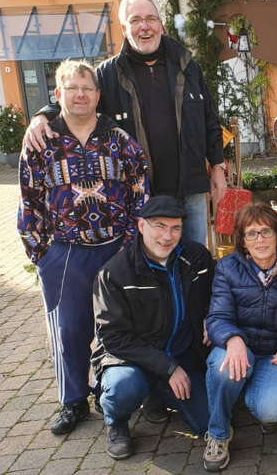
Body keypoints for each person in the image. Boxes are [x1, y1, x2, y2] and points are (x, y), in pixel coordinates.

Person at [22, 0, 226, 246]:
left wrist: (218, 166)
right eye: (135, 20)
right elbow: (79, 99)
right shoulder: (108, 75)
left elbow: (210, 118)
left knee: (194, 259)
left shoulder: (187, 65)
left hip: (190, 189)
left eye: (151, 18)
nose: (145, 26)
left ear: (161, 24)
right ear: (123, 28)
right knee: (150, 269)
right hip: (141, 194)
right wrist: (42, 115)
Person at [17, 59, 149, 435]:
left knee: (120, 326)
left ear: (97, 95)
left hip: (115, 250)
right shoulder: (42, 142)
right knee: (69, 329)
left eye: (86, 89)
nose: (79, 95)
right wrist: (41, 254)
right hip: (65, 253)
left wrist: (132, 245)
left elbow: (140, 188)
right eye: (71, 88)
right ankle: (72, 400)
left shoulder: (119, 139)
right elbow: (29, 199)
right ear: (57, 95)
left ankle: (116, 393)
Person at [92, 196, 215, 459]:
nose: (167, 236)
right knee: (124, 386)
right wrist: (167, 368)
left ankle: (158, 395)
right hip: (129, 360)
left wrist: (210, 317)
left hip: (181, 355)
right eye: (159, 226)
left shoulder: (197, 258)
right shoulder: (114, 273)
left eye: (175, 228)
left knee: (210, 422)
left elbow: (215, 297)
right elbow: (113, 337)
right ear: (141, 226)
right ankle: (116, 422)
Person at [202, 203, 277, 472]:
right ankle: (218, 433)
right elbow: (217, 317)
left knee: (270, 409)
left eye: (266, 231)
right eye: (252, 234)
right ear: (242, 241)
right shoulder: (227, 267)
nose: (260, 239)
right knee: (223, 368)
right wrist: (233, 339)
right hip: (240, 347)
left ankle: (251, 394)